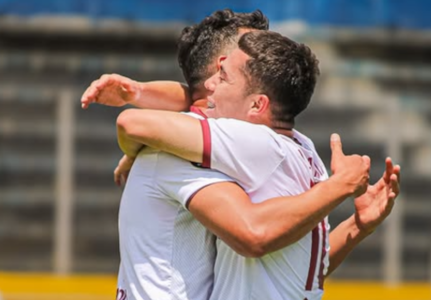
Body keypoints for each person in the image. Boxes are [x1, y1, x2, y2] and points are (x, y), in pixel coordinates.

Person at [82, 11, 400, 300]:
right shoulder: (294, 149)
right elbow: (270, 249)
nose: (266, 50)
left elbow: (274, 253)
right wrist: (348, 207)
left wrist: (353, 219)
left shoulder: (267, 145)